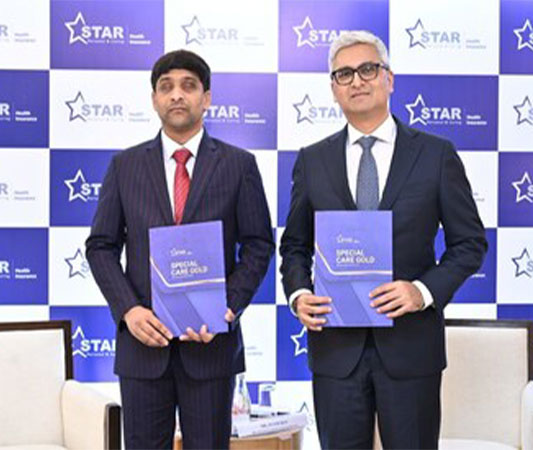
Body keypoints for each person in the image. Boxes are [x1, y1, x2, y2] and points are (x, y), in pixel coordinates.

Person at [280, 31, 487, 449]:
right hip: (336, 351)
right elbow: (294, 246)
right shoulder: (312, 159)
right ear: (333, 89)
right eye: (344, 74)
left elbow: (470, 243)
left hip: (410, 349)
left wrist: (422, 291)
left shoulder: (436, 154)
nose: (357, 81)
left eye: (368, 69)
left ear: (389, 79)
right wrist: (299, 294)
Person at [86, 49, 274, 449]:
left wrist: (229, 306)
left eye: (189, 86)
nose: (177, 95)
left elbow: (258, 245)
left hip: (210, 347)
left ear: (206, 97)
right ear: (154, 98)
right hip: (142, 347)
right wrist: (129, 310)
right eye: (166, 87)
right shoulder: (125, 166)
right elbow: (101, 246)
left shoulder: (239, 165)